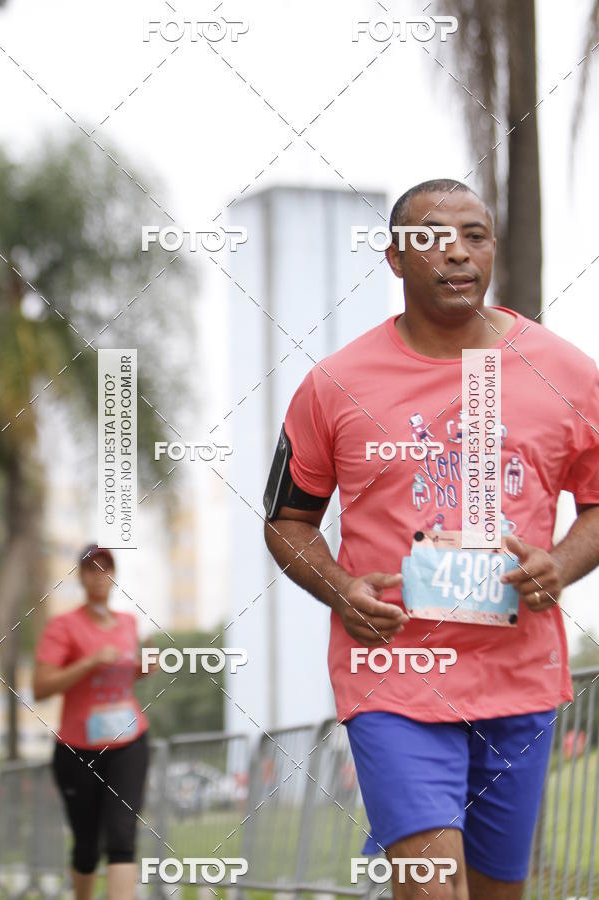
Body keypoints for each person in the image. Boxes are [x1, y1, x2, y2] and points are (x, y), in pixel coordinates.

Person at [263, 179, 599, 900]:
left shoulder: (568, 372)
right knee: (430, 890)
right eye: (431, 237)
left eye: (474, 235)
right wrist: (340, 587)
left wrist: (562, 565)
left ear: (492, 250)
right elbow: (288, 521)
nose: (456, 252)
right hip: (394, 677)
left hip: (519, 678)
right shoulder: (334, 384)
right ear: (393, 257)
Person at [33, 544, 155, 900]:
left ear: (113, 576)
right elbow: (41, 688)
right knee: (87, 847)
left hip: (129, 744)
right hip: (77, 751)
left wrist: (144, 668)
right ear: (81, 577)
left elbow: (123, 679)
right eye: (91, 570)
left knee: (122, 838)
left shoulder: (129, 624)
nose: (99, 577)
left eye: (106, 569)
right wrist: (88, 663)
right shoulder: (63, 626)